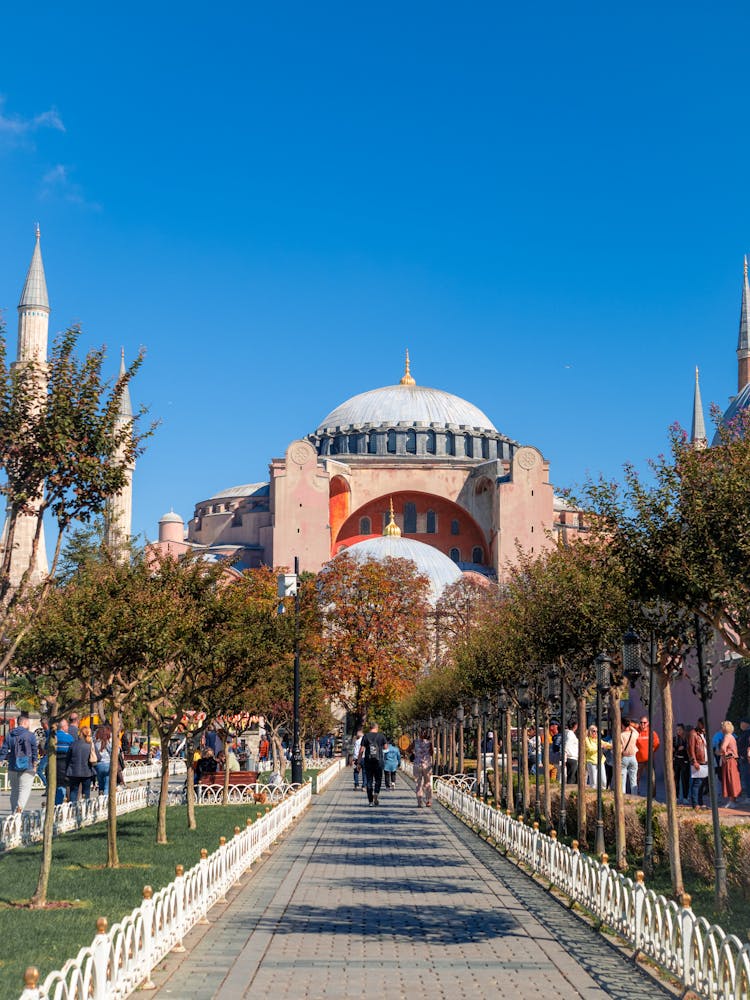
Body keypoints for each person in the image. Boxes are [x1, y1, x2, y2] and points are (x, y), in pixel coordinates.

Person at [0, 712, 38, 813]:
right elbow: (34, 751)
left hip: (13, 765)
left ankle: (14, 812)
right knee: (24, 789)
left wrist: (1, 760)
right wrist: (35, 764)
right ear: (25, 723)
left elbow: (4, 749)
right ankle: (19, 808)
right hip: (27, 766)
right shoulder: (30, 735)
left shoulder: (10, 735)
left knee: (14, 791)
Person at [65, 724, 98, 803]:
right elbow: (98, 757)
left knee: (73, 791)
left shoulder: (73, 744)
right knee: (86, 792)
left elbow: (68, 758)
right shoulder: (90, 745)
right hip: (87, 772)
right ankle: (85, 809)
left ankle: (73, 808)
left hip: (74, 772)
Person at [359, 721, 386, 806]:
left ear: (370, 728)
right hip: (379, 761)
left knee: (369, 781)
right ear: (376, 728)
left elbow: (361, 750)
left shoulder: (365, 736)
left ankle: (370, 801)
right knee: (378, 780)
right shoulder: (381, 736)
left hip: (368, 762)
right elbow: (386, 747)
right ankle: (376, 793)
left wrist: (359, 762)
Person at [687, 717, 709, 809]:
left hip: (704, 762)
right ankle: (695, 804)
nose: (704, 727)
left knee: (702, 784)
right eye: (702, 725)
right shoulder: (693, 734)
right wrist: (694, 761)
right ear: (698, 723)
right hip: (698, 762)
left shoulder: (703, 734)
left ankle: (700, 802)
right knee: (697, 784)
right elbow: (690, 748)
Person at [719, 720, 742, 808]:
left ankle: (732, 801)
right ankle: (734, 799)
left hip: (729, 761)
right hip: (733, 760)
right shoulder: (732, 736)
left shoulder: (727, 737)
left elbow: (723, 747)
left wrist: (723, 755)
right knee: (733, 779)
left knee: (730, 779)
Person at [636, 716, 660, 794]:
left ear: (648, 723)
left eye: (644, 722)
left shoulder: (651, 732)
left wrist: (652, 751)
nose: (643, 724)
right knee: (636, 777)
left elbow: (657, 743)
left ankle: (652, 794)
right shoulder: (636, 732)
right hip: (638, 759)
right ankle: (636, 792)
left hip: (649, 760)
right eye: (641, 722)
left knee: (651, 777)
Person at [54, 718, 75, 805]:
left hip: (54, 764)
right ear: (63, 727)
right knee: (63, 785)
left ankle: (56, 804)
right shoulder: (69, 737)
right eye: (67, 725)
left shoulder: (53, 736)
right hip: (65, 764)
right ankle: (60, 803)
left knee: (56, 785)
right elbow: (73, 749)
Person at [584, 724, 611, 788]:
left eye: (597, 731)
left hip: (600, 761)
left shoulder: (598, 739)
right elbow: (590, 749)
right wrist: (599, 747)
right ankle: (593, 796)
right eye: (594, 731)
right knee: (594, 782)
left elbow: (605, 744)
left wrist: (613, 746)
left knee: (604, 781)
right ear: (590, 731)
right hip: (591, 761)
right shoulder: (586, 739)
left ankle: (603, 795)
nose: (595, 733)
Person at [413, 729, 434, 807]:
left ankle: (419, 802)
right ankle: (428, 801)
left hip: (417, 764)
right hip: (426, 765)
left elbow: (408, 750)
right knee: (427, 783)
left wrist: (415, 753)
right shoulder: (429, 743)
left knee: (418, 783)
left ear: (419, 734)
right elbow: (431, 753)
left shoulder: (415, 742)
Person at [620, 716, 639, 794]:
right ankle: (634, 796)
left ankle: (623, 796)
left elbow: (620, 748)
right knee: (633, 779)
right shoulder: (634, 734)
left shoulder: (621, 735)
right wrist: (630, 726)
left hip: (624, 757)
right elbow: (637, 732)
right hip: (633, 757)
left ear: (622, 725)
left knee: (622, 780)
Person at [673, 723, 690, 804]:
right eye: (677, 730)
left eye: (679, 729)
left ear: (683, 730)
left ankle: (685, 797)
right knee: (676, 779)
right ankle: (676, 796)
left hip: (685, 761)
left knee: (685, 779)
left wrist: (684, 747)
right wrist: (675, 749)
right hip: (676, 761)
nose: (678, 731)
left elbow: (687, 748)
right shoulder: (675, 739)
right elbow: (673, 748)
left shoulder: (686, 739)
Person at [94, 726, 112, 794]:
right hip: (107, 764)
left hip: (98, 765)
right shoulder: (108, 742)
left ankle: (100, 796)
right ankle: (105, 800)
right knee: (107, 785)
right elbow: (112, 751)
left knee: (100, 783)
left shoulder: (96, 742)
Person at [737, 719, 750, 802]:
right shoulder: (744, 733)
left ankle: (749, 797)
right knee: (745, 778)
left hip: (746, 759)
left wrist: (744, 755)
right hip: (743, 758)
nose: (741, 724)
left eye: (742, 723)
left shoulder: (748, 733)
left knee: (747, 778)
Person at [564, 720, 579, 784]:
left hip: (572, 757)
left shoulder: (570, 734)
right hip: (571, 757)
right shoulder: (570, 734)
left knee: (574, 777)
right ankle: (570, 790)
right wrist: (565, 758)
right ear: (575, 726)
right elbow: (566, 745)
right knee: (571, 777)